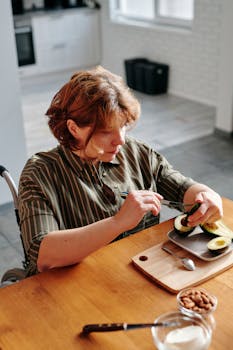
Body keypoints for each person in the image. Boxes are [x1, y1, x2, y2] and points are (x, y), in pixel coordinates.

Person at [18, 66, 223, 276]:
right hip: (77, 287)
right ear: (73, 128)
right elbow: (43, 255)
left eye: (123, 126)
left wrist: (206, 196)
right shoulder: (39, 173)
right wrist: (118, 223)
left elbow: (180, 186)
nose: (121, 140)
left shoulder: (136, 152)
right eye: (107, 131)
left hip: (135, 275)